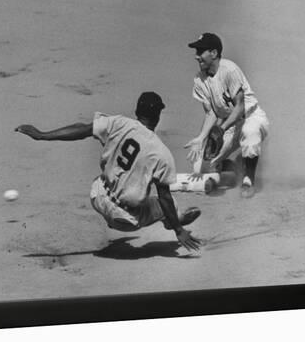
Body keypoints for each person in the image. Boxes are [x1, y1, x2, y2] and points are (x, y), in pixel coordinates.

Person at [16, 92, 202, 252]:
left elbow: (82, 129)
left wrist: (43, 135)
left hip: (97, 196)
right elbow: (165, 197)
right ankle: (174, 221)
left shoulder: (118, 122)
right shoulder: (162, 153)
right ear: (158, 117)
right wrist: (179, 231)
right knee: (168, 204)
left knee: (113, 178)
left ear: (137, 112)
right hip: (125, 219)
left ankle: (169, 220)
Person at [184, 33, 269, 198]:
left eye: (200, 51)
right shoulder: (199, 80)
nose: (196, 56)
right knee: (203, 169)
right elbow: (211, 113)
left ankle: (248, 180)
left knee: (249, 132)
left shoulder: (229, 70)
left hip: (252, 117)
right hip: (231, 125)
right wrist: (201, 137)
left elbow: (240, 106)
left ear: (214, 53)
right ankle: (233, 169)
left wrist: (221, 129)